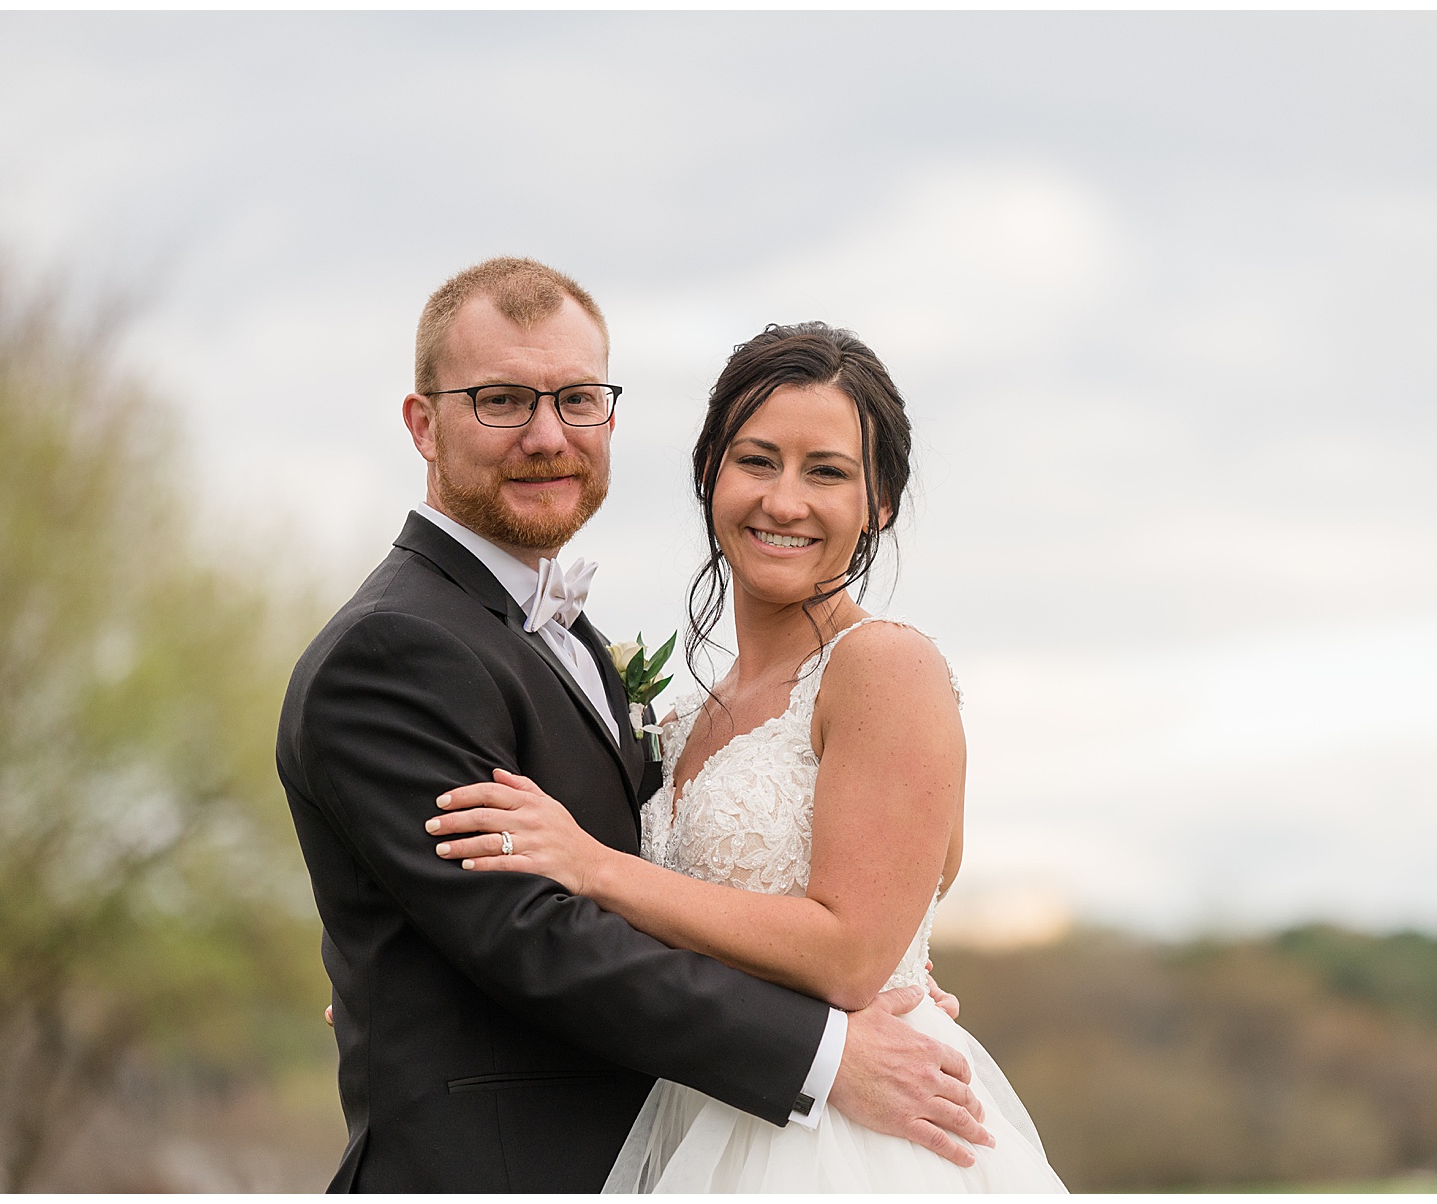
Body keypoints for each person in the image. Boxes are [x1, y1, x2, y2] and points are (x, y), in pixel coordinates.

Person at [275, 260, 992, 1192]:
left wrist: (884, 972)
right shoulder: (397, 649)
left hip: (818, 1143)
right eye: (501, 401)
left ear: (880, 503)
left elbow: (873, 918)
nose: (545, 435)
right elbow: (528, 930)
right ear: (424, 423)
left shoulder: (871, 666)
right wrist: (401, 974)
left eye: (575, 399)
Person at [425, 321, 1068, 1191]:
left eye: (827, 472)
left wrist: (593, 865)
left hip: (853, 1139)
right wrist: (422, 994)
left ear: (879, 503)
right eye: (757, 461)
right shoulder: (684, 718)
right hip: (704, 1106)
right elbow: (611, 950)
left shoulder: (884, 667)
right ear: (709, 476)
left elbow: (850, 955)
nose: (785, 500)